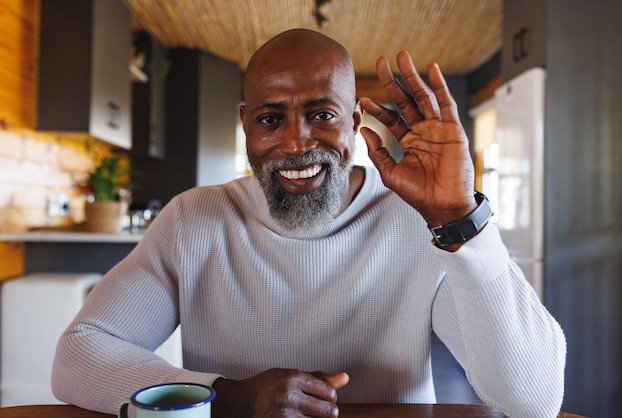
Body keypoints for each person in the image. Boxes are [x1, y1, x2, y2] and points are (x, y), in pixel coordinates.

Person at [52, 28, 566, 418]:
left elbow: (532, 399)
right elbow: (77, 357)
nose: (297, 144)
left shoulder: (420, 221)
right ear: (246, 124)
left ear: (355, 123)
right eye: (271, 118)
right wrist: (227, 396)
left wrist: (459, 219)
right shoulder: (193, 219)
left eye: (322, 114)